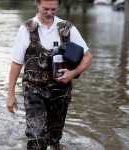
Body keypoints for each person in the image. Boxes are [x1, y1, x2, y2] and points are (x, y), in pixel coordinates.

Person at [6, 0, 92, 150]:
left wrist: (73, 73)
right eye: (46, 8)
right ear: (37, 4)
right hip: (33, 90)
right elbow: (16, 63)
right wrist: (11, 94)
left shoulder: (67, 28)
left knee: (54, 138)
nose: (50, 12)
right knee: (37, 138)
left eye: (54, 9)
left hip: (60, 92)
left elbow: (88, 56)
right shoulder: (26, 29)